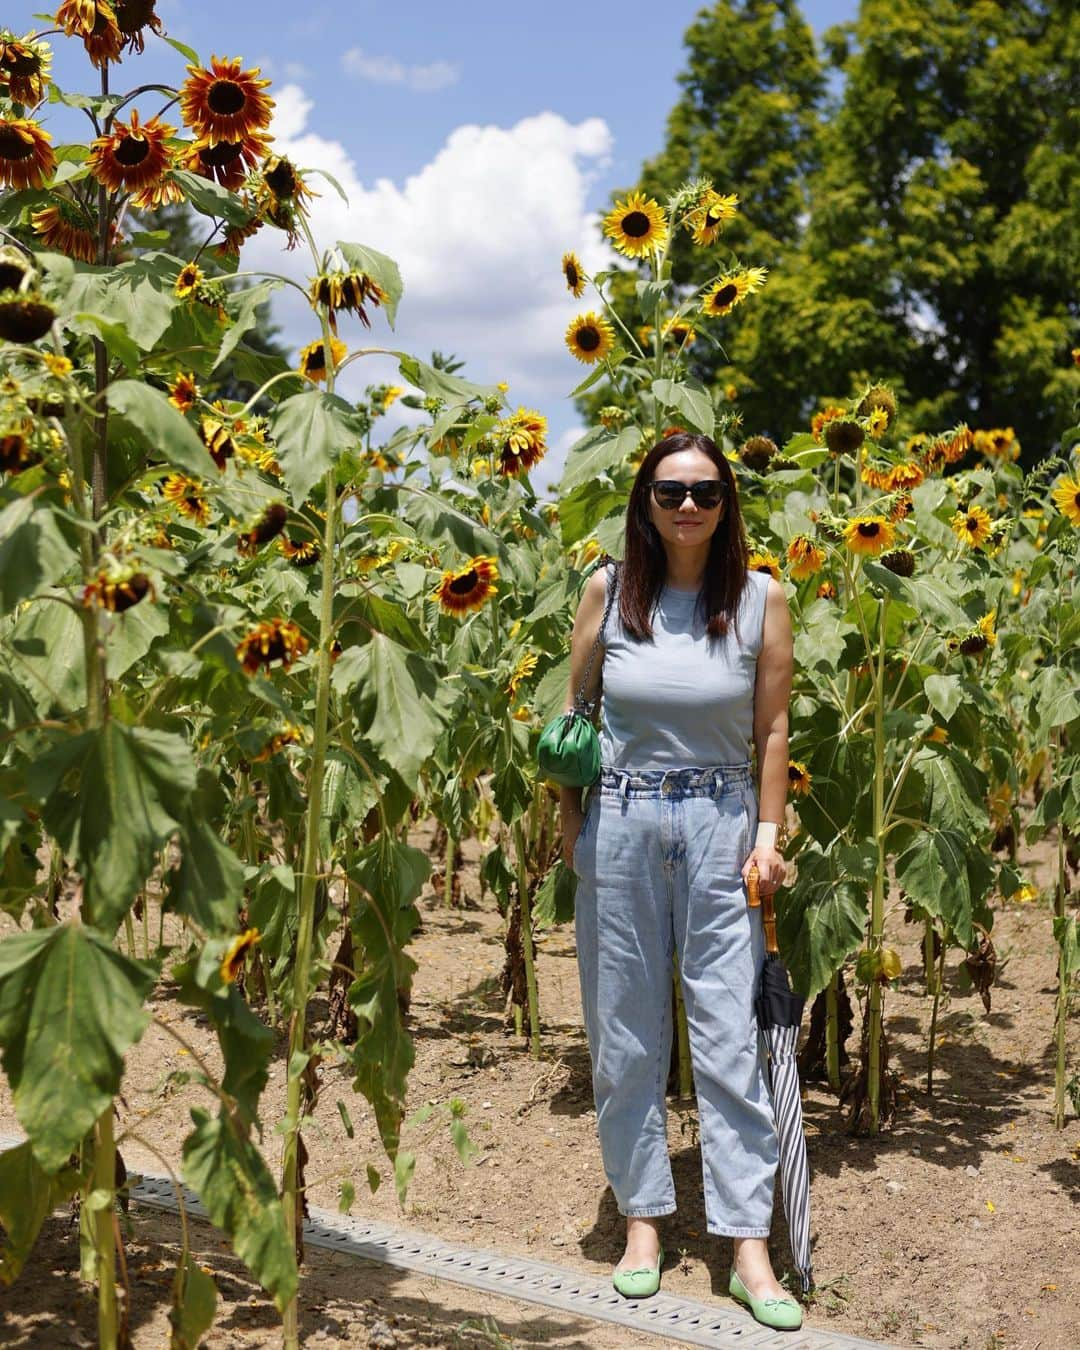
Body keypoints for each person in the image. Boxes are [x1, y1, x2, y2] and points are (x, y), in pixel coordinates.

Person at [560, 431, 802, 1330]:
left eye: (705, 492)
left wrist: (768, 836)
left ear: (728, 502)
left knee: (726, 1033)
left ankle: (747, 1245)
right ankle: (645, 1225)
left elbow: (772, 731)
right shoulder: (606, 590)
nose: (688, 507)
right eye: (670, 492)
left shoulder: (759, 600)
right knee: (623, 1029)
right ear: (645, 502)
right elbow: (575, 715)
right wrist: (573, 828)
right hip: (620, 822)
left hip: (721, 826)